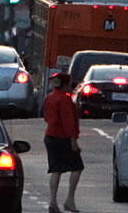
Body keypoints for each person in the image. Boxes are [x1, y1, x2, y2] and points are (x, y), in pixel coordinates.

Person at [43, 73, 84, 213]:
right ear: (65, 84)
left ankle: (53, 201)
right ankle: (69, 199)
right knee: (77, 166)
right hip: (63, 138)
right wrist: (73, 140)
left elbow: (46, 117)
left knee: (56, 170)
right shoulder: (64, 100)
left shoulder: (50, 98)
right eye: (69, 84)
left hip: (50, 136)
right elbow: (68, 122)